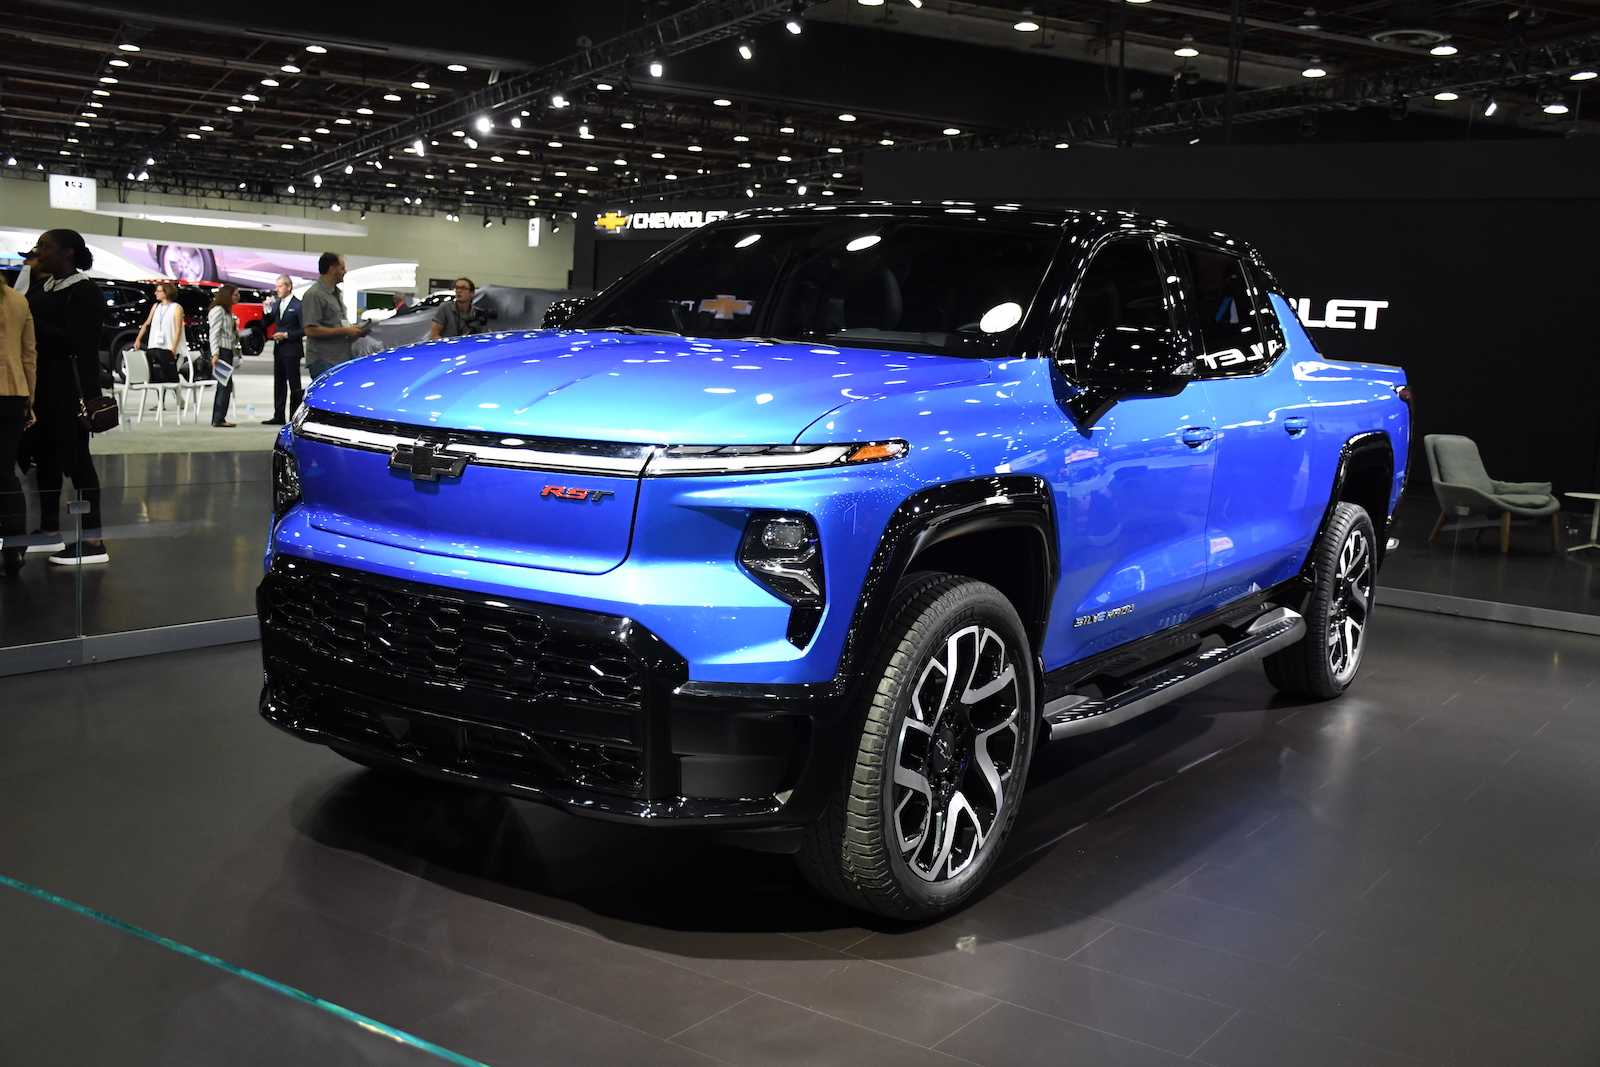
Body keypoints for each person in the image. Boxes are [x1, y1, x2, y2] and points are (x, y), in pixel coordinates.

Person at [22, 229, 107, 566]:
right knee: (45, 458)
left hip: (70, 390)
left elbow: (77, 342)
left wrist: (31, 323)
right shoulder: (43, 286)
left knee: (77, 460)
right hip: (43, 386)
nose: (38, 252)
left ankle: (93, 539)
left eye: (46, 247)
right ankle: (48, 529)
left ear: (68, 252)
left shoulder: (85, 292)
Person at [0, 271, 36, 575]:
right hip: (11, 394)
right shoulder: (18, 300)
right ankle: (14, 551)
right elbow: (29, 355)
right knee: (5, 473)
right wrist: (29, 400)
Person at [301, 252, 369, 380]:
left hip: (338, 359)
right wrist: (344, 330)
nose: (345, 272)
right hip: (323, 360)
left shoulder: (336, 294)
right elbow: (310, 330)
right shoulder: (315, 295)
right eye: (342, 268)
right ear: (332, 269)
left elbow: (335, 324)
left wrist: (356, 330)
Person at [261, 274, 303, 424]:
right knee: (279, 384)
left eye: (280, 286)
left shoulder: (298, 305)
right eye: (276, 286)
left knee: (294, 385)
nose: (277, 290)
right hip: (279, 350)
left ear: (289, 287)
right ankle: (278, 414)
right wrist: (265, 310)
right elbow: (266, 323)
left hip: (292, 350)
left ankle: (294, 416)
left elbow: (304, 329)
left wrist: (286, 335)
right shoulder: (278, 304)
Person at [132, 280, 184, 385]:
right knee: (157, 375)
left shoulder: (176, 308)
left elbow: (178, 329)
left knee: (171, 375)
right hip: (154, 345)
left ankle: (179, 399)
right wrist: (138, 339)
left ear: (166, 292)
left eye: (159, 291)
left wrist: (174, 347)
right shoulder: (156, 306)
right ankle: (161, 400)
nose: (156, 293)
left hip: (168, 347)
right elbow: (147, 323)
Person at [206, 284, 240, 428]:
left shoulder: (227, 312)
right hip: (221, 351)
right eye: (235, 294)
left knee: (226, 384)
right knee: (224, 384)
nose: (238, 297)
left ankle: (220, 417)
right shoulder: (218, 311)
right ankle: (218, 418)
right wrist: (215, 353)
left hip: (228, 349)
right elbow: (214, 333)